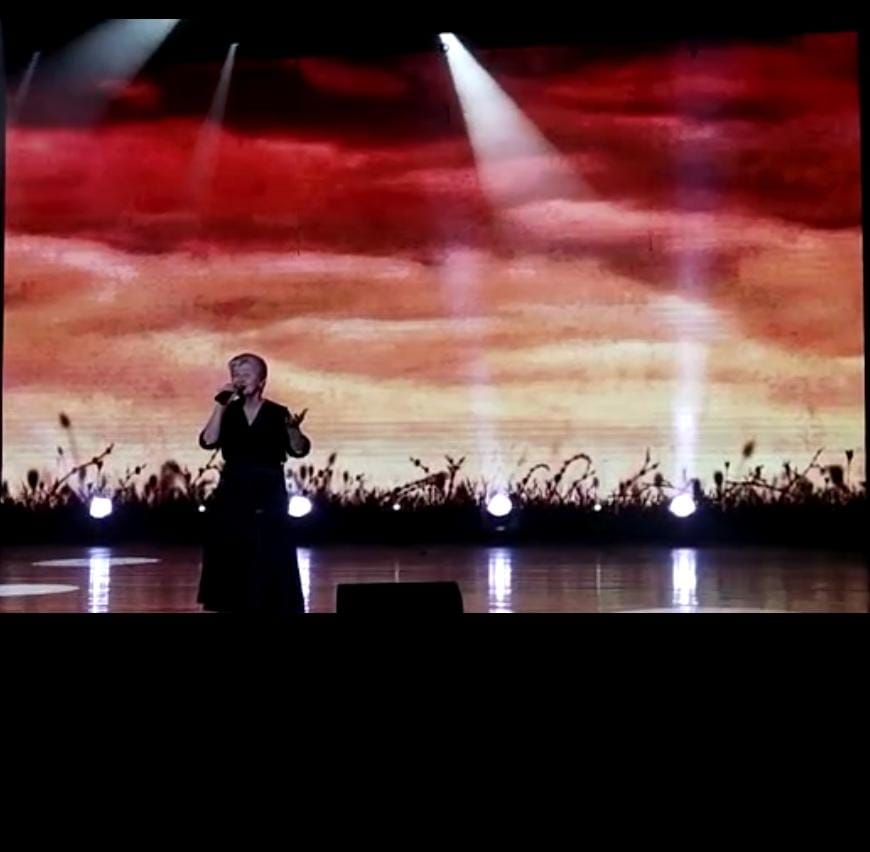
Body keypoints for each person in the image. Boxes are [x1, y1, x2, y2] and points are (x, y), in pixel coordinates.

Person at [197, 352, 311, 614]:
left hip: (268, 486)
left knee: (268, 545)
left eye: (246, 375)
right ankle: (231, 601)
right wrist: (220, 405)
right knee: (231, 545)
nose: (240, 379)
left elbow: (299, 450)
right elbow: (208, 441)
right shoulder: (229, 412)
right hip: (234, 487)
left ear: (261, 381)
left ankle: (270, 600)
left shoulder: (277, 412)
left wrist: (293, 430)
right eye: (236, 375)